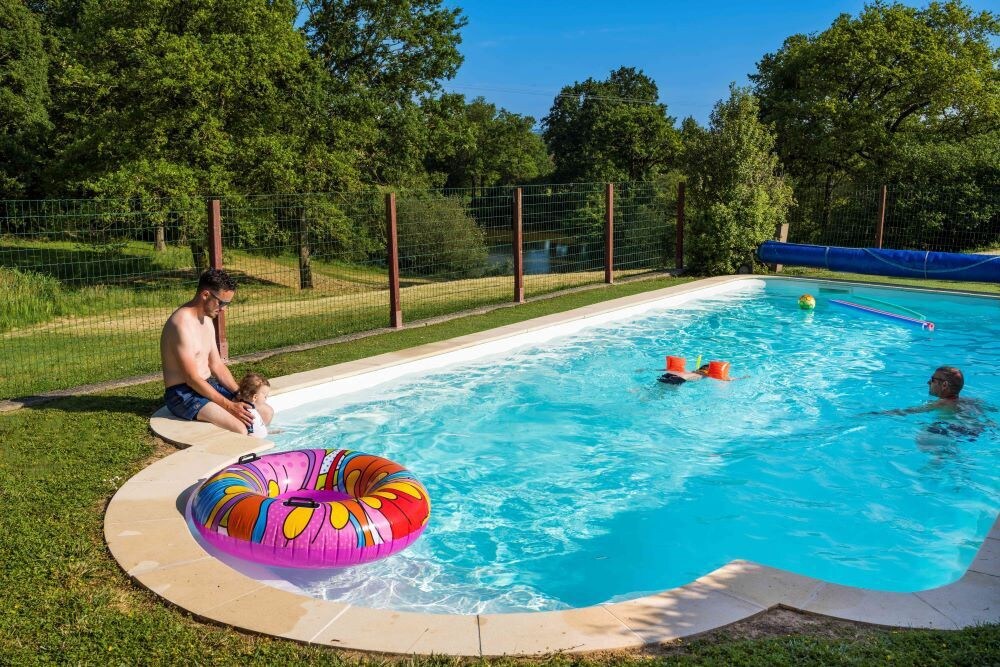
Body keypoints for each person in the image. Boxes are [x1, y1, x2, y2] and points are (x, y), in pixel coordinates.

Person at [161, 269, 254, 434]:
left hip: (206, 385)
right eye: (222, 303)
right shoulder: (180, 325)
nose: (224, 309)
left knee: (259, 412)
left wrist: (238, 393)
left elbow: (216, 365)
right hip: (182, 394)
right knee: (240, 428)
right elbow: (192, 379)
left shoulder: (206, 319)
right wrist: (230, 406)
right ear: (205, 295)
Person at [235, 372, 272, 438]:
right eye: (265, 396)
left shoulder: (251, 409)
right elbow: (250, 435)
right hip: (260, 442)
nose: (266, 399)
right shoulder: (248, 414)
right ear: (255, 397)